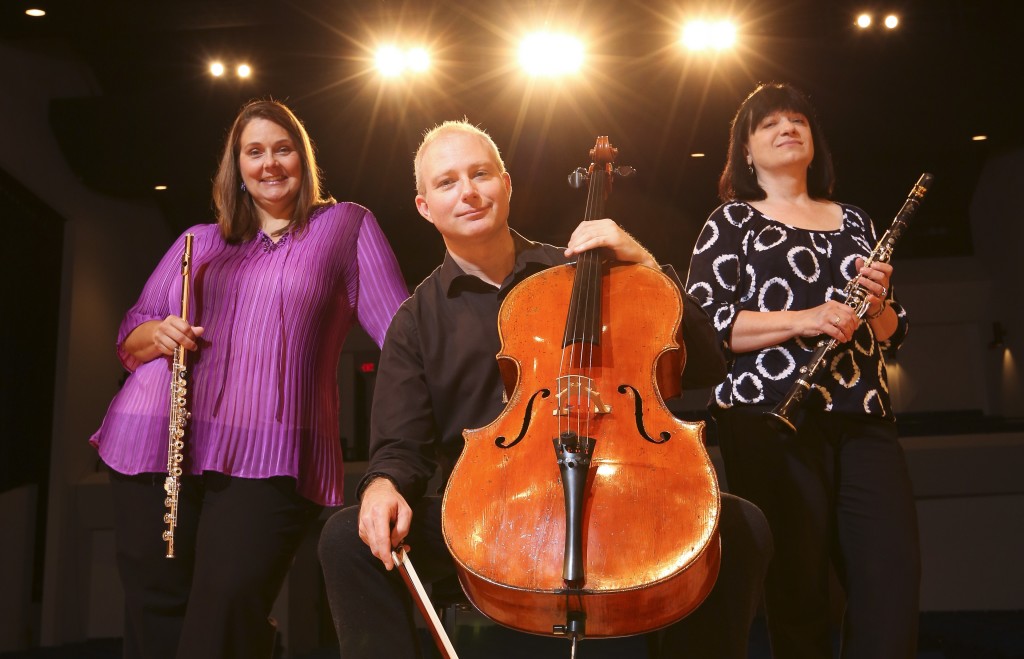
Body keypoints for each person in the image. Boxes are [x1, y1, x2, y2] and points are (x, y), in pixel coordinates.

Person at [318, 120, 773, 658]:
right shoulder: (416, 321)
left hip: (614, 485)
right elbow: (400, 446)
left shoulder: (584, 271)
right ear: (424, 206)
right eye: (447, 182)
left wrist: (645, 264)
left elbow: (706, 364)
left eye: (480, 174)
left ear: (506, 184)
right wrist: (381, 487)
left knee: (740, 524)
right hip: (488, 517)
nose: (468, 191)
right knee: (348, 537)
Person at [89, 99, 409, 659]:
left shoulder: (344, 226)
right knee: (154, 607)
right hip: (154, 435)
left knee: (228, 609)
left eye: (282, 149)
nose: (269, 164)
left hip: (271, 449)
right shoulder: (197, 240)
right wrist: (158, 333)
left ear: (302, 158)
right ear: (236, 167)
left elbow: (403, 336)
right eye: (253, 152)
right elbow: (130, 336)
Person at [684, 82, 921, 659]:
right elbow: (708, 327)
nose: (787, 128)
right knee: (800, 594)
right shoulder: (732, 222)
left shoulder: (856, 221)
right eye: (768, 124)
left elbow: (893, 333)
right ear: (745, 151)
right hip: (768, 421)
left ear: (815, 142)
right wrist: (806, 318)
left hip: (862, 416)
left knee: (890, 586)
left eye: (797, 121)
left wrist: (881, 305)